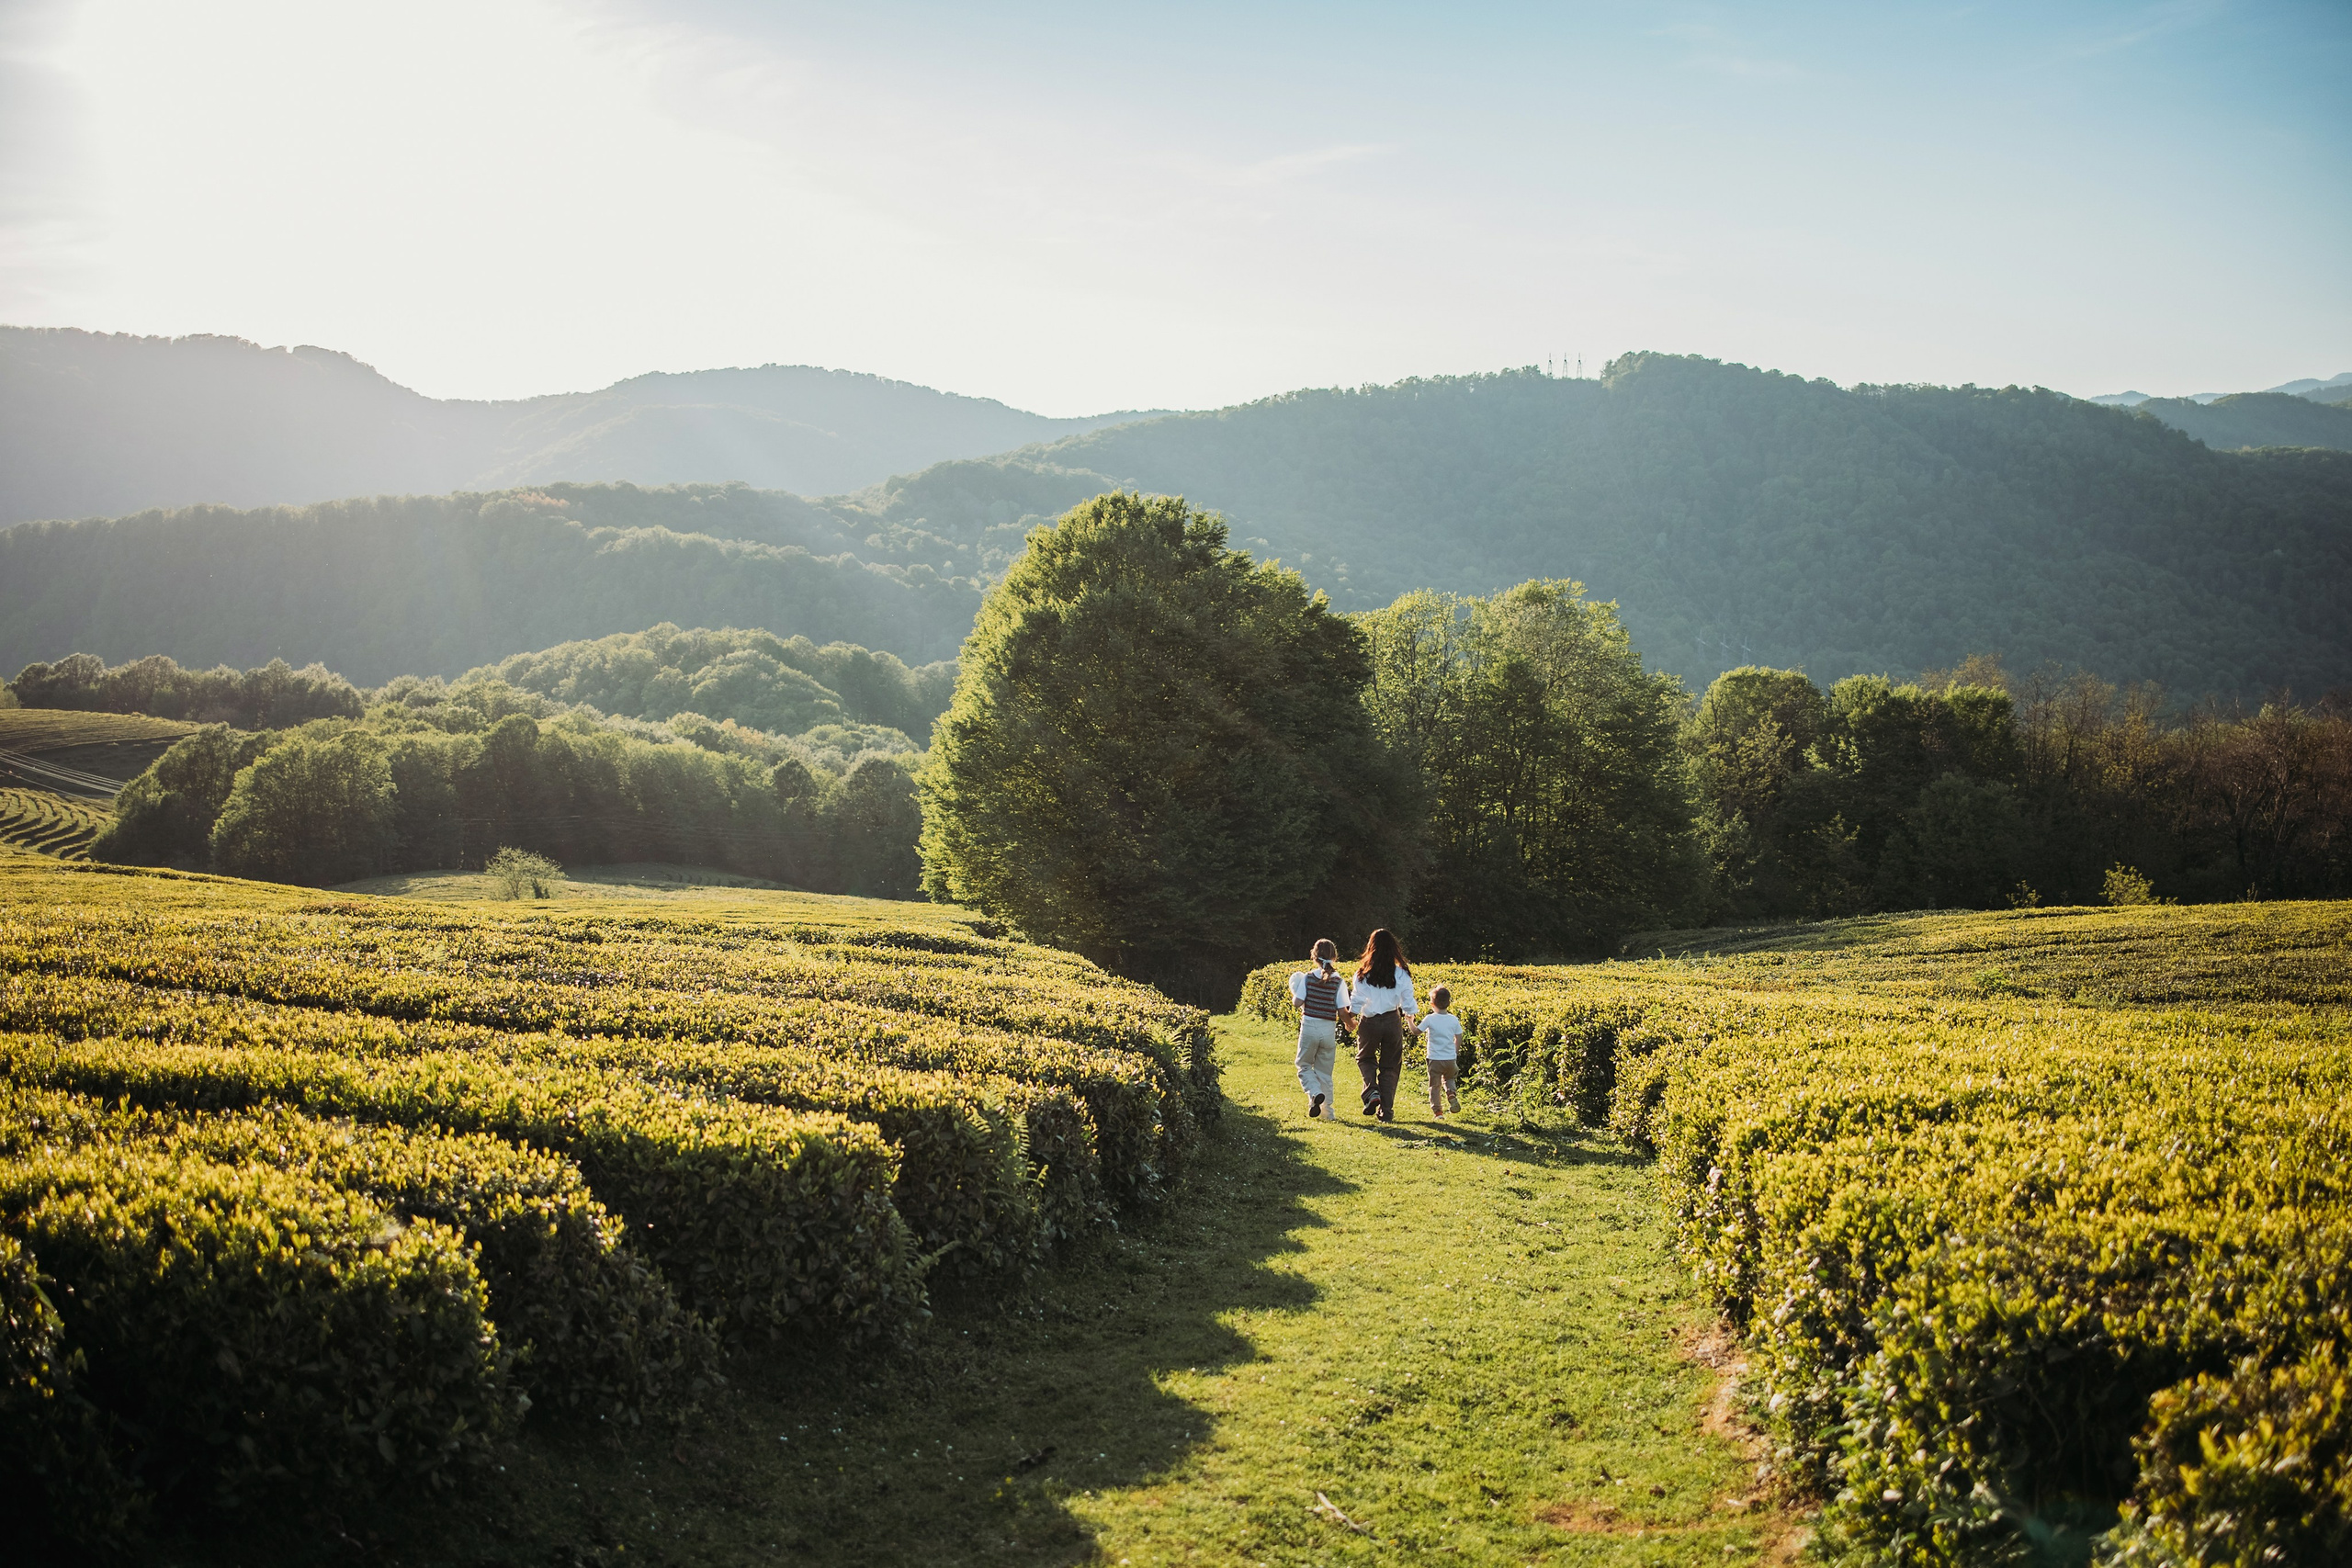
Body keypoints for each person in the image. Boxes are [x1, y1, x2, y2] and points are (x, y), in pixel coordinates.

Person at [1349, 928, 1415, 1122]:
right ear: (1393, 948)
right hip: (1392, 1020)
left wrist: (1349, 1018)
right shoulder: (1401, 973)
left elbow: (1357, 1000)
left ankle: (1371, 1092)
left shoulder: (1362, 973)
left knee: (1365, 1058)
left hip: (1369, 1021)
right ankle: (1386, 1111)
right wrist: (1411, 1016)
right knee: (1390, 1066)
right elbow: (1408, 1001)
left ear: (1371, 948)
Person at [1288, 939, 1351, 1120]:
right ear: (1334, 957)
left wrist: (1296, 992)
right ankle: (1327, 1113)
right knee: (1325, 1073)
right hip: (1328, 1029)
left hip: (1309, 1026)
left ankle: (1315, 1093)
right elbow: (1342, 1011)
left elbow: (1297, 1003)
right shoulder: (1339, 982)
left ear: (1314, 957)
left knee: (1303, 1065)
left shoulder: (1307, 978)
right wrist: (1352, 1024)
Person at [1419, 986, 1462, 1118]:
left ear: (1432, 1004)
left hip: (1434, 1058)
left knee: (1435, 1085)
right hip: (1450, 1058)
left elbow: (1416, 1032)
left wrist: (1410, 1021)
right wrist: (1455, 1051)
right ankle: (1451, 1093)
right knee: (1449, 1078)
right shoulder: (1454, 1019)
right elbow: (1459, 1037)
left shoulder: (1429, 1019)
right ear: (1449, 1002)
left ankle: (1438, 1112)